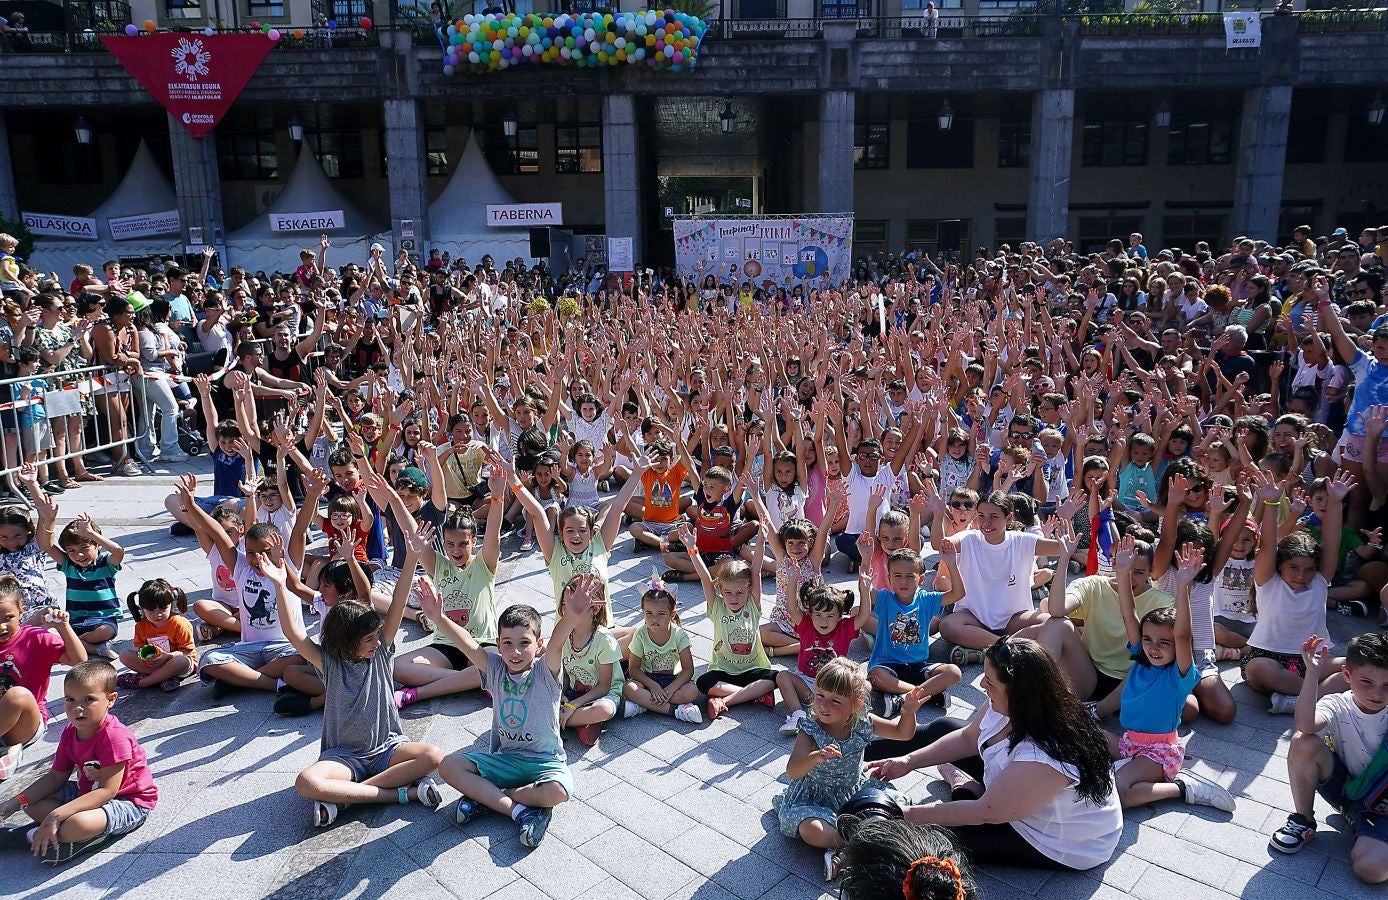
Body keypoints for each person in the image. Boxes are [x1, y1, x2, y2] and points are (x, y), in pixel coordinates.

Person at [865, 638, 1123, 871]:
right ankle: (857, 747)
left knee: (934, 839)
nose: (981, 684)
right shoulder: (1018, 703)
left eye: (989, 681)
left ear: (1019, 693)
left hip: (1062, 841)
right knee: (946, 727)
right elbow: (968, 738)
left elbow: (984, 812)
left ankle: (963, 786)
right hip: (1018, 794)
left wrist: (898, 813)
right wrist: (908, 762)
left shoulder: (1046, 753)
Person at [260, 534, 445, 827]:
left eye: (376, 637)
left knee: (433, 756)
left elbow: (397, 602)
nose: (376, 643)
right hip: (344, 757)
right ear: (347, 641)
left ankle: (346, 798)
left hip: (388, 748)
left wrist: (411, 558)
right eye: (368, 639)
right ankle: (400, 794)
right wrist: (280, 585)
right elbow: (294, 633)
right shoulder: (330, 663)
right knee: (306, 782)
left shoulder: (382, 651)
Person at [430, 569, 595, 849]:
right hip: (506, 759)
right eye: (507, 643)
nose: (515, 651)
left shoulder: (546, 671)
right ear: (498, 645)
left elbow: (557, 645)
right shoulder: (494, 668)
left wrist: (571, 616)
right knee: (449, 765)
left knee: (561, 791)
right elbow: (468, 644)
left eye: (524, 644)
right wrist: (438, 617)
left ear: (538, 645)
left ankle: (491, 797)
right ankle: (518, 810)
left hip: (545, 761)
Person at [1110, 538, 1235, 810]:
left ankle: (1183, 788)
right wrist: (1122, 572)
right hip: (1130, 742)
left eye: (1163, 643)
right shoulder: (1141, 659)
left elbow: (1182, 633)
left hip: (1159, 752)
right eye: (1148, 639)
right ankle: (1133, 775)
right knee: (1080, 736)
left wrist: (1183, 585)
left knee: (1117, 791)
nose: (1154, 647)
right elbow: (1128, 613)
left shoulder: (1180, 675)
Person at [0, 660, 156, 865]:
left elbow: (107, 791)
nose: (77, 708)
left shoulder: (114, 737)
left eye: (88, 699)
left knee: (77, 823)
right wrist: (16, 801)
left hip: (128, 801)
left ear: (111, 700)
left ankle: (33, 836)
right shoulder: (70, 731)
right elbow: (56, 776)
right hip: (86, 792)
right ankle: (54, 832)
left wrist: (56, 814)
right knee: (30, 804)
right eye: (70, 699)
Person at [1270, 632, 1388, 884]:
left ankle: (1364, 828)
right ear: (1347, 675)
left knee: (1372, 870)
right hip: (1349, 790)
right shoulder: (1337, 704)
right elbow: (1305, 724)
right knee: (1303, 742)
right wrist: (1312, 673)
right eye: (1366, 681)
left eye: (1387, 685)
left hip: (1384, 801)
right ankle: (1303, 820)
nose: (1377, 693)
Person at [0, 576, 85, 779]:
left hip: (25, 722)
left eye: (7, 618)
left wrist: (63, 627)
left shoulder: (35, 638)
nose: (1, 626)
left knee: (17, 696)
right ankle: (8, 752)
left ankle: (10, 747)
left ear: (22, 611)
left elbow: (78, 660)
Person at [115, 579, 197, 692]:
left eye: (163, 608)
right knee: (124, 655)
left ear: (171, 605)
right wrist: (145, 658)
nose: (158, 614)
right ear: (142, 608)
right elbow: (140, 648)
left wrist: (167, 656)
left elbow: (187, 651)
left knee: (181, 661)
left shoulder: (178, 623)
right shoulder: (141, 626)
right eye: (151, 610)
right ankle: (164, 677)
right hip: (155, 664)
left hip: (177, 663)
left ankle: (143, 682)